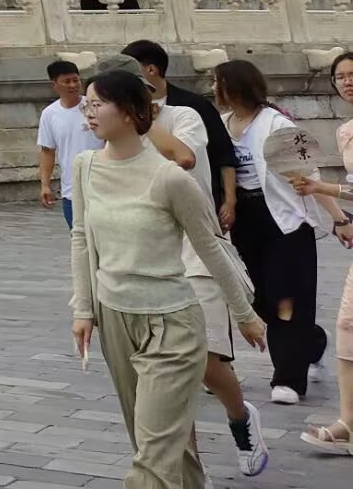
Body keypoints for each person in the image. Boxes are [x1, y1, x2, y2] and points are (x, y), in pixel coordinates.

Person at [70, 69, 266, 489]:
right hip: (115, 318)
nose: (88, 113)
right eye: (86, 104)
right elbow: (81, 239)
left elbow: (211, 247)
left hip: (171, 323)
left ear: (129, 112)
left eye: (97, 104)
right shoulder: (84, 167)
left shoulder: (170, 177)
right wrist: (83, 308)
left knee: (153, 457)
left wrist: (245, 315)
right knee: (163, 447)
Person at [143, 61, 270, 473]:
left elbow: (183, 156)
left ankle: (240, 416)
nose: (92, 112)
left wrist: (142, 122)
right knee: (169, 373)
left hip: (196, 250)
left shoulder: (185, 115)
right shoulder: (102, 147)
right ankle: (188, 471)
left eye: (102, 101)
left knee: (206, 358)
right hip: (148, 260)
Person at [214, 57, 345, 403]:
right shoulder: (222, 125)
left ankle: (288, 380)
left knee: (289, 296)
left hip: (285, 219)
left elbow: (309, 175)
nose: (214, 88)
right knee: (262, 298)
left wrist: (338, 218)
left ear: (235, 86)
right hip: (245, 219)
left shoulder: (276, 123)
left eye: (218, 82)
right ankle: (312, 342)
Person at [293, 51, 353, 451]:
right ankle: (348, 422)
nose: (347, 82)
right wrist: (341, 217)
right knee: (347, 325)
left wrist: (322, 188)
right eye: (340, 76)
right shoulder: (345, 132)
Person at [121, 38, 240, 230]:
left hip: (195, 204)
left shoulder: (193, 106)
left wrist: (229, 201)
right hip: (150, 211)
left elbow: (223, 155)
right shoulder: (124, 112)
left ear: (151, 69)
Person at [37, 58, 102, 229]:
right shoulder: (49, 114)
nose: (73, 85)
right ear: (54, 85)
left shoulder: (95, 106)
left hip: (102, 185)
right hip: (71, 190)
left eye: (76, 80)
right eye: (66, 81)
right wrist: (45, 185)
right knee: (78, 236)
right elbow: (47, 151)